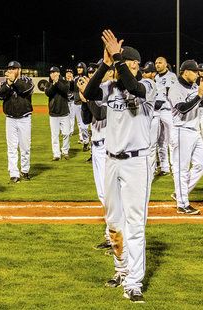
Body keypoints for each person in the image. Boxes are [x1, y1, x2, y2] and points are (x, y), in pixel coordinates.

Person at [83, 29, 156, 303]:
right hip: (111, 161)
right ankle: (121, 270)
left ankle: (134, 282)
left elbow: (134, 87)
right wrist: (104, 64)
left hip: (137, 162)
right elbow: (88, 93)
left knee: (135, 225)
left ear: (135, 64)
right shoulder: (110, 86)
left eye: (125, 61)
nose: (119, 65)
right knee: (113, 223)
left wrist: (118, 59)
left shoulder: (148, 85)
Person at [78, 69, 113, 252]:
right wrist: (85, 101)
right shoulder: (96, 91)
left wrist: (87, 98)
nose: (95, 76)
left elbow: (100, 113)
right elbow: (86, 119)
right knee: (103, 195)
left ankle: (114, 235)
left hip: (108, 147)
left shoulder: (112, 91)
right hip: (97, 146)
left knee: (109, 196)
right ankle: (111, 235)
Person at [168, 60, 203, 215]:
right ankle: (182, 204)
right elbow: (182, 109)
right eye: (195, 71)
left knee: (201, 165)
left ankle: (180, 193)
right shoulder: (175, 88)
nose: (198, 74)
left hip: (194, 131)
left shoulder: (195, 87)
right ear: (185, 72)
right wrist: (198, 95)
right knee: (181, 169)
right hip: (180, 130)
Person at [0, 61, 34, 183]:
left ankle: (25, 170)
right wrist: (8, 84)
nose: (10, 71)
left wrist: (15, 81)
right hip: (10, 119)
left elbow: (25, 90)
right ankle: (13, 174)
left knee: (25, 147)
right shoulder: (5, 82)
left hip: (24, 119)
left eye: (13, 69)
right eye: (9, 69)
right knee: (11, 148)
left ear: (19, 70)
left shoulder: (27, 80)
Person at [153, 56, 176, 177]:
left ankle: (174, 167)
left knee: (172, 140)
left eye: (160, 63)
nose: (157, 65)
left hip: (168, 111)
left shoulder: (171, 76)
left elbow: (171, 93)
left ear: (166, 64)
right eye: (156, 63)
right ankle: (164, 167)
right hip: (157, 112)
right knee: (160, 141)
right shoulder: (155, 77)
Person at [45, 66, 72, 161]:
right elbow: (48, 93)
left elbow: (65, 90)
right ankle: (56, 154)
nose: (52, 74)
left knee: (66, 133)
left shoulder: (64, 82)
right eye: (51, 73)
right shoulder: (48, 84)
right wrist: (54, 84)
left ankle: (65, 151)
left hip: (64, 113)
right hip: (53, 113)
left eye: (54, 72)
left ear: (58, 73)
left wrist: (57, 83)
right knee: (55, 135)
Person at [73, 62, 91, 149]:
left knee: (87, 125)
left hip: (85, 103)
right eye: (78, 68)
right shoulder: (75, 78)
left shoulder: (86, 78)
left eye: (80, 68)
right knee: (81, 125)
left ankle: (89, 142)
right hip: (76, 103)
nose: (79, 69)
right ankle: (86, 141)